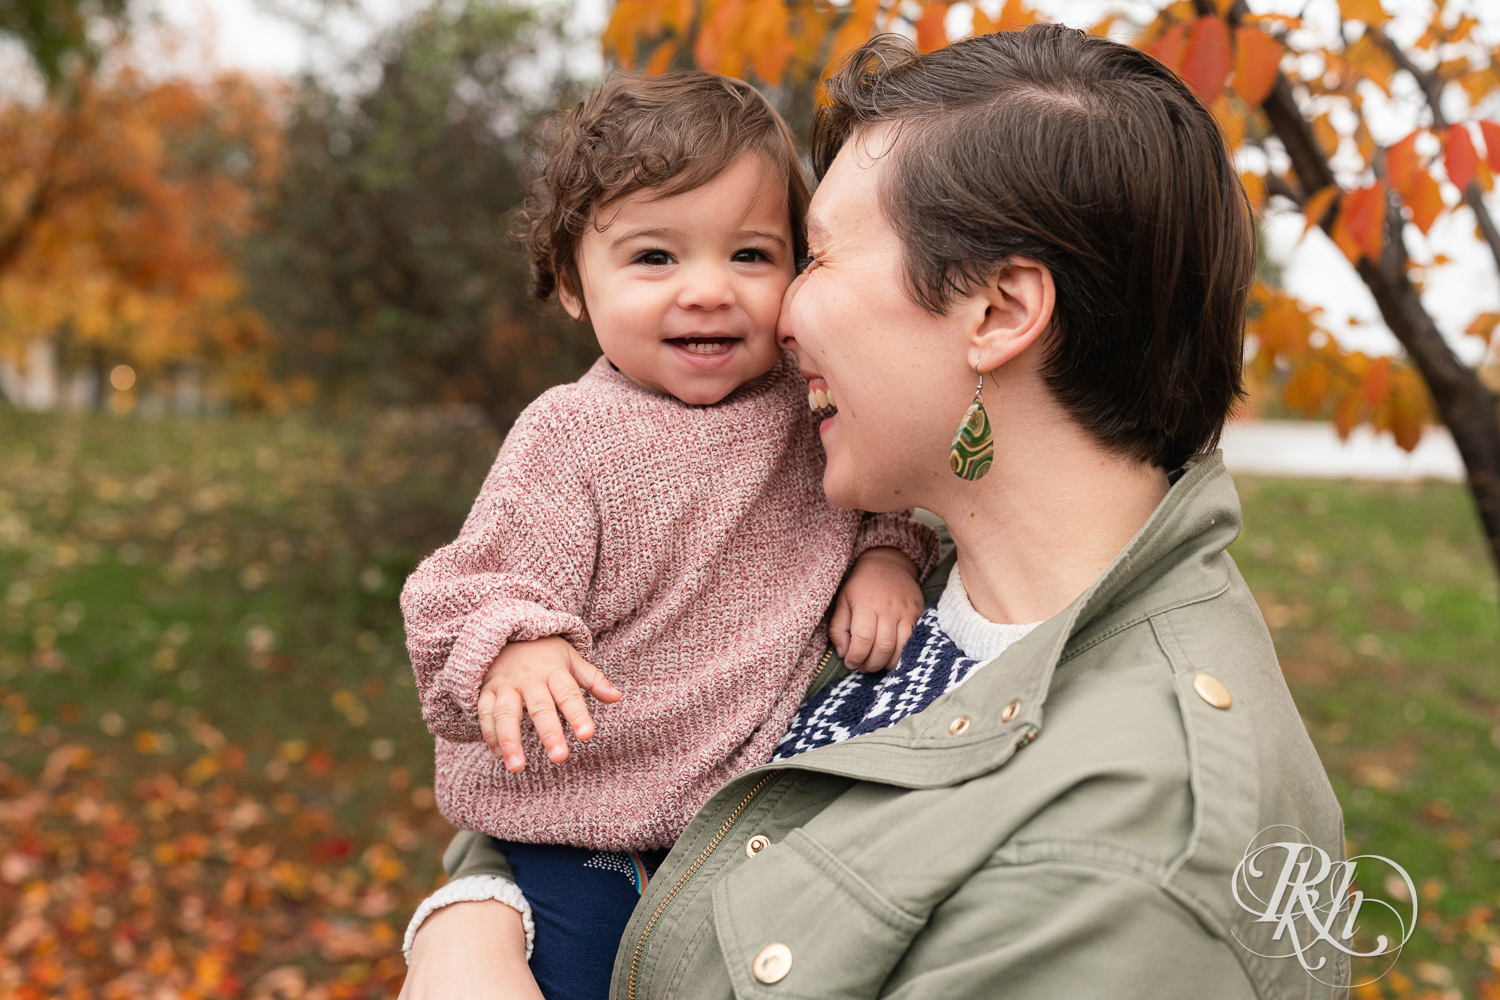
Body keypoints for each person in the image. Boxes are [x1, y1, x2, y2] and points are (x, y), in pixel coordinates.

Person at [402, 26, 1349, 1000]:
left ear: (995, 312)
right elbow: (633, 742)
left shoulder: (1126, 862)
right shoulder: (913, 568)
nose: (776, 314)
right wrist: (472, 915)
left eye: (806, 258)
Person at [397, 71, 938, 1000]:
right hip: (576, 820)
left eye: (751, 256)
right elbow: (467, 588)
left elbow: (884, 484)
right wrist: (516, 646)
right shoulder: (573, 436)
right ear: (572, 282)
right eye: (655, 258)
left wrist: (888, 554)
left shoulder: (803, 405)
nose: (707, 292)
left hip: (733, 819)